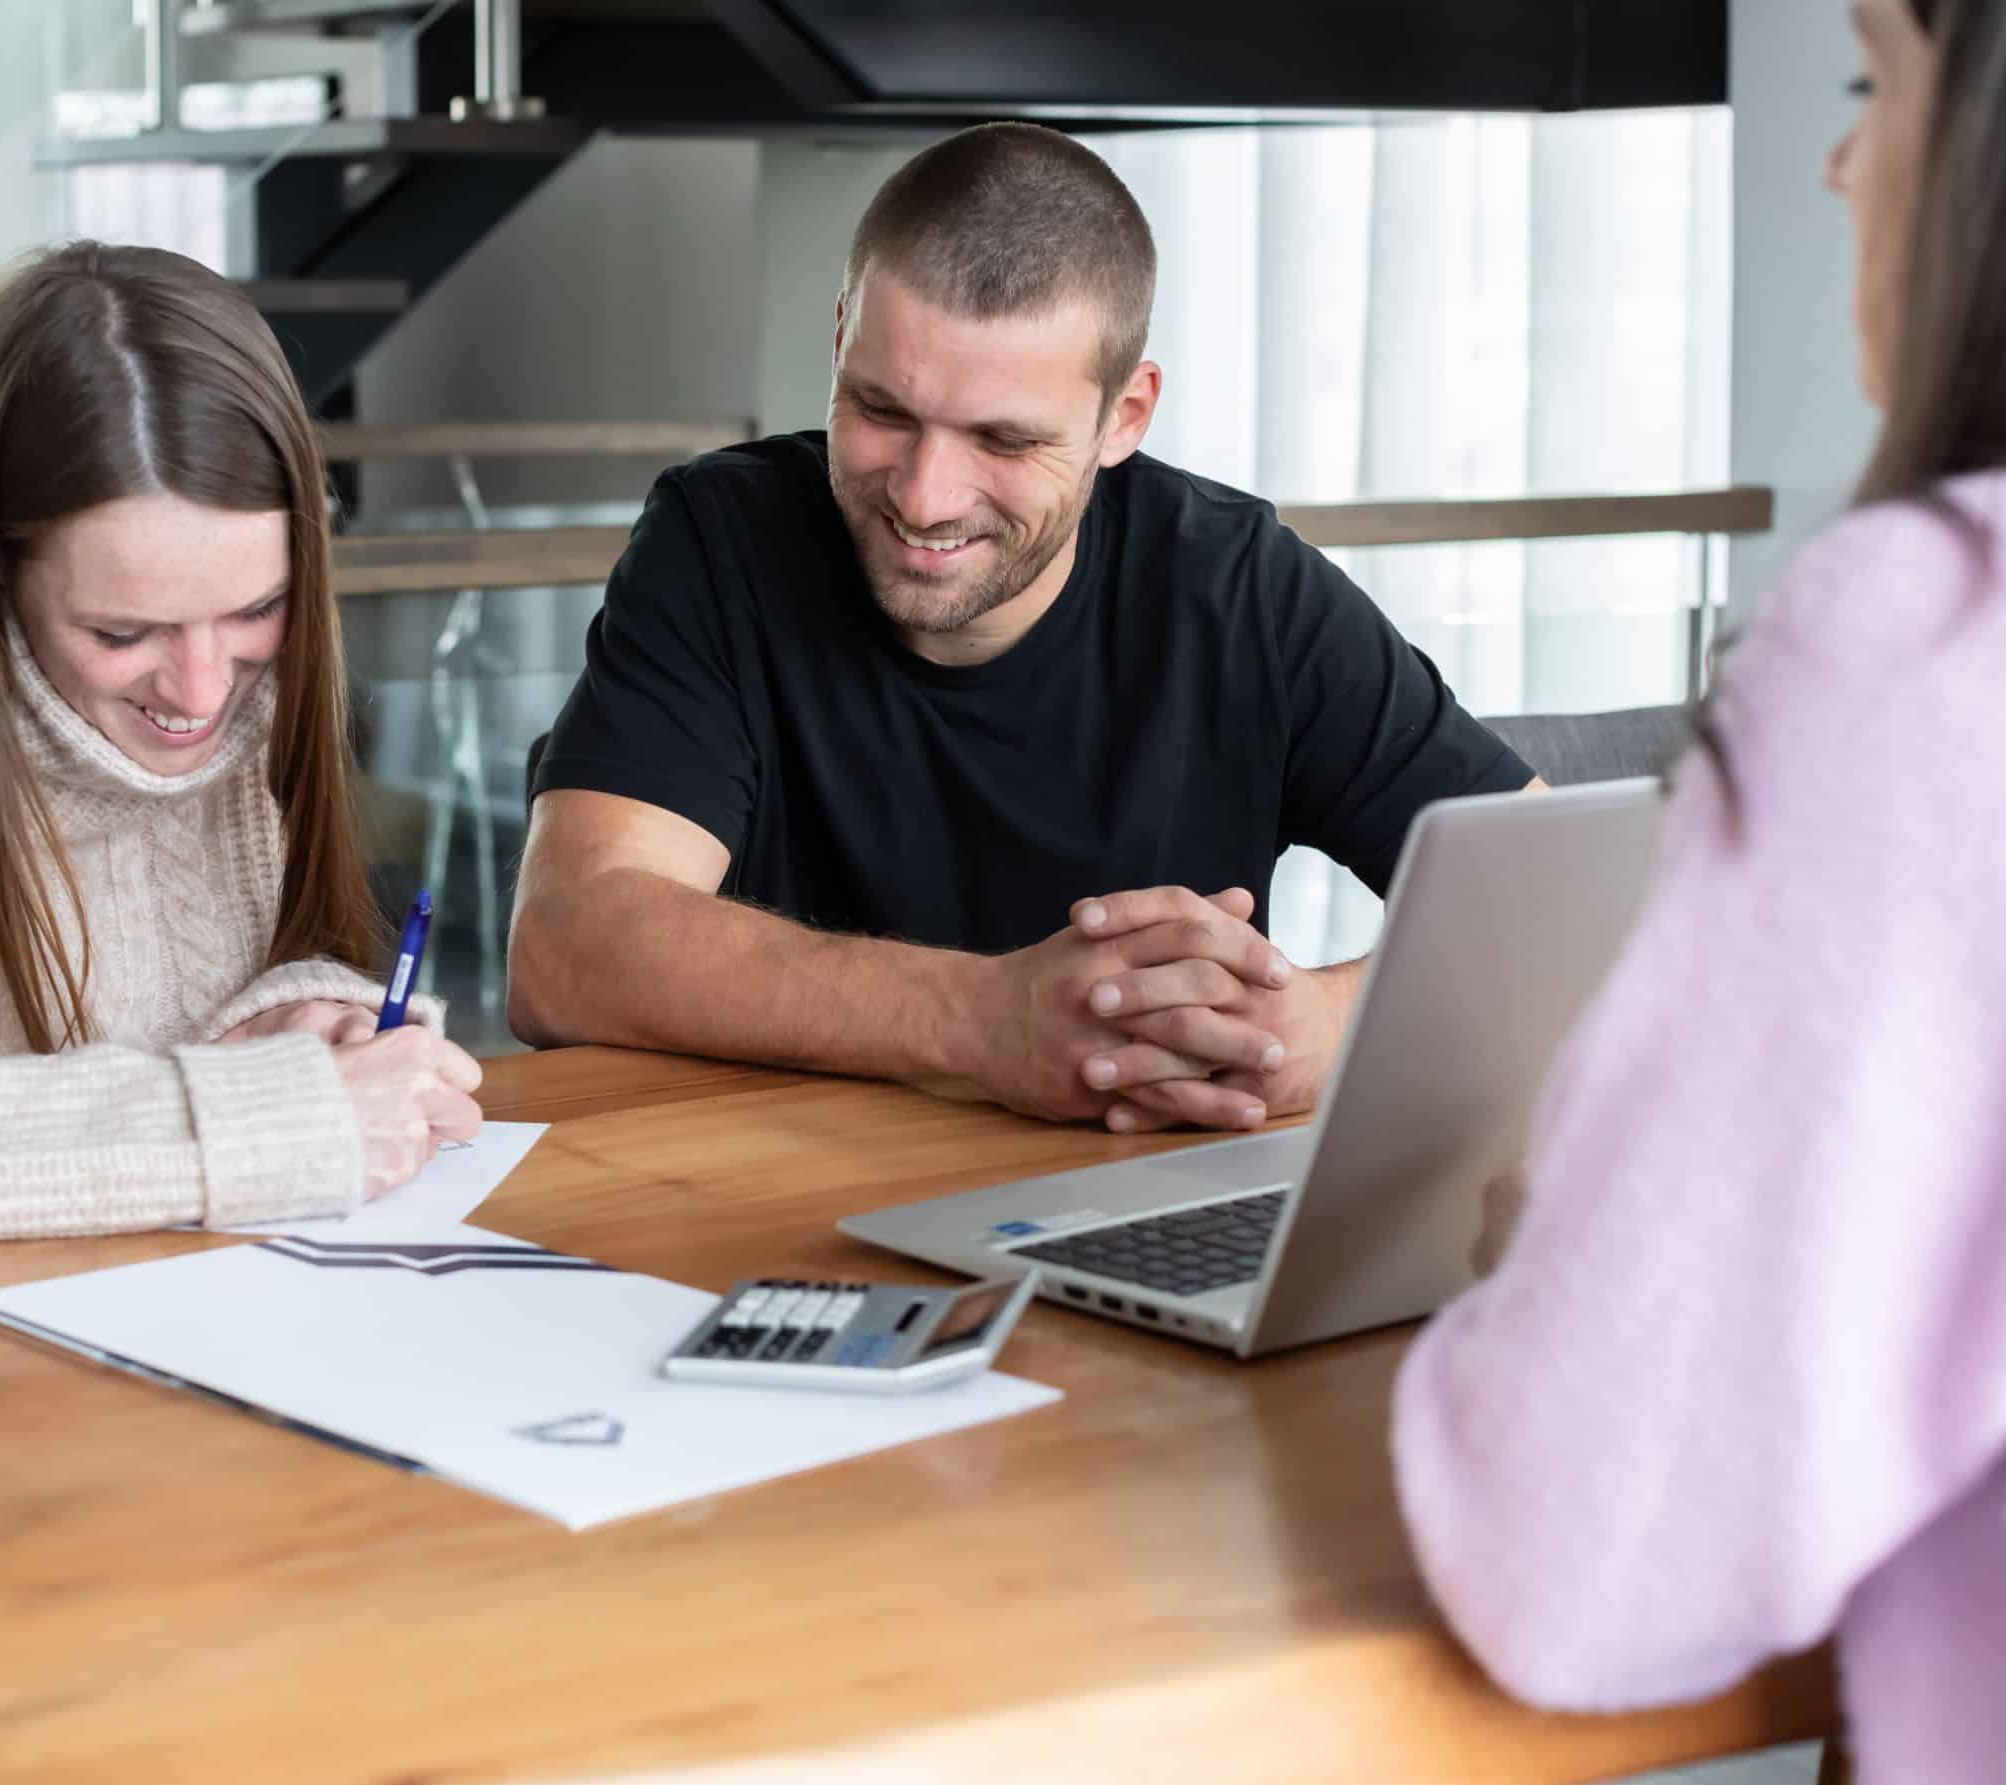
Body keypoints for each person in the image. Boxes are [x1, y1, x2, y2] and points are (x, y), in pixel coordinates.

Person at [1392, 2, 2006, 1785]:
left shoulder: (1976, 643)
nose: (1838, 162)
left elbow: (1577, 1556)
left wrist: (1564, 1260)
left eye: (1869, 83)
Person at [510, 123, 1536, 1135]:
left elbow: (1580, 909)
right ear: (837, 343)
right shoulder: (721, 538)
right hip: (779, 1201)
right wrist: (980, 1018)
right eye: (881, 410)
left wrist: (1320, 1031)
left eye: (1003, 439)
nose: (924, 495)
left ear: (1125, 416)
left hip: (1137, 1198)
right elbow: (565, 947)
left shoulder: (1243, 588)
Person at [0, 242, 483, 1243]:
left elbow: (144, 1011)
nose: (201, 692)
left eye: (257, 608)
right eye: (122, 633)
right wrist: (245, 1117)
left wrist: (289, 1025)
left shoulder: (249, 689)